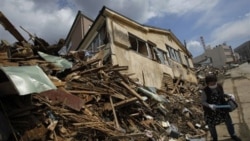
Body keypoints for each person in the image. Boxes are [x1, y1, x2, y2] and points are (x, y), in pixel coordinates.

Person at [201, 74, 241, 141]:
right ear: (207, 83)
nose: (213, 84)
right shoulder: (205, 91)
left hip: (222, 109)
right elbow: (203, 102)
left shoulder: (219, 86)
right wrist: (210, 105)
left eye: (214, 82)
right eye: (211, 83)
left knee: (229, 122)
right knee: (211, 126)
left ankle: (233, 134)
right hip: (211, 111)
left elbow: (221, 94)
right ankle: (215, 138)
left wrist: (228, 95)